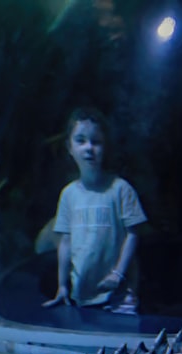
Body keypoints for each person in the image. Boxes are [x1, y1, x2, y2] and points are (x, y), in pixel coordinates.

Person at [42, 107, 147, 314]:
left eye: (96, 141)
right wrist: (62, 286)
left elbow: (133, 234)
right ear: (69, 147)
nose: (89, 147)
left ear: (104, 146)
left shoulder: (120, 189)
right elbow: (65, 242)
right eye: (81, 140)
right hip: (81, 294)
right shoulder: (68, 195)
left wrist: (118, 274)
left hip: (119, 295)